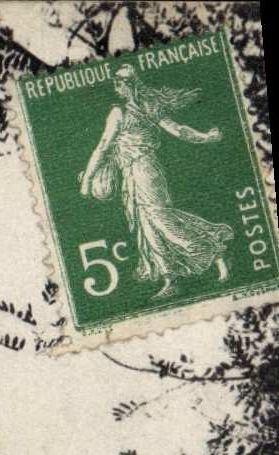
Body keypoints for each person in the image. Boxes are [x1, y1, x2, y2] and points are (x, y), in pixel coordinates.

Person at [80, 62, 232, 298]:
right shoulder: (147, 108)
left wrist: (87, 180)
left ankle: (212, 251)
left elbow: (102, 147)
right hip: (134, 174)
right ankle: (170, 278)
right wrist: (207, 137)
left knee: (161, 220)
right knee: (147, 225)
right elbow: (180, 130)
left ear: (126, 85)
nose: (115, 86)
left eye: (118, 82)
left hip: (143, 171)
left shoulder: (120, 113)